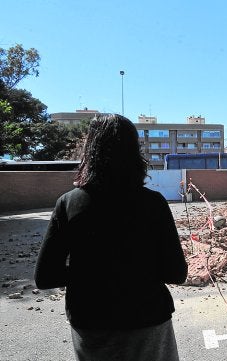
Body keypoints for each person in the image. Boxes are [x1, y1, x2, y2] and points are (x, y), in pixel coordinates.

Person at [34, 113, 188, 361]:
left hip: (91, 325)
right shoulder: (153, 203)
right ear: (134, 153)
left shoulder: (68, 203)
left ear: (90, 151)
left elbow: (45, 277)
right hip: (147, 321)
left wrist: (91, 270)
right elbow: (177, 273)